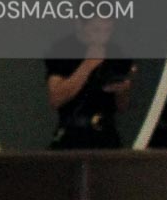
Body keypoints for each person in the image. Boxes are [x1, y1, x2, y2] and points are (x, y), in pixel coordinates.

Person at [45, 15, 136, 149]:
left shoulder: (116, 52)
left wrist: (123, 90)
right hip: (73, 134)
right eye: (96, 30)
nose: (102, 36)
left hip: (106, 135)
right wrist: (87, 65)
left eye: (107, 30)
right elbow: (56, 98)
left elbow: (122, 107)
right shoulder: (63, 50)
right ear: (80, 26)